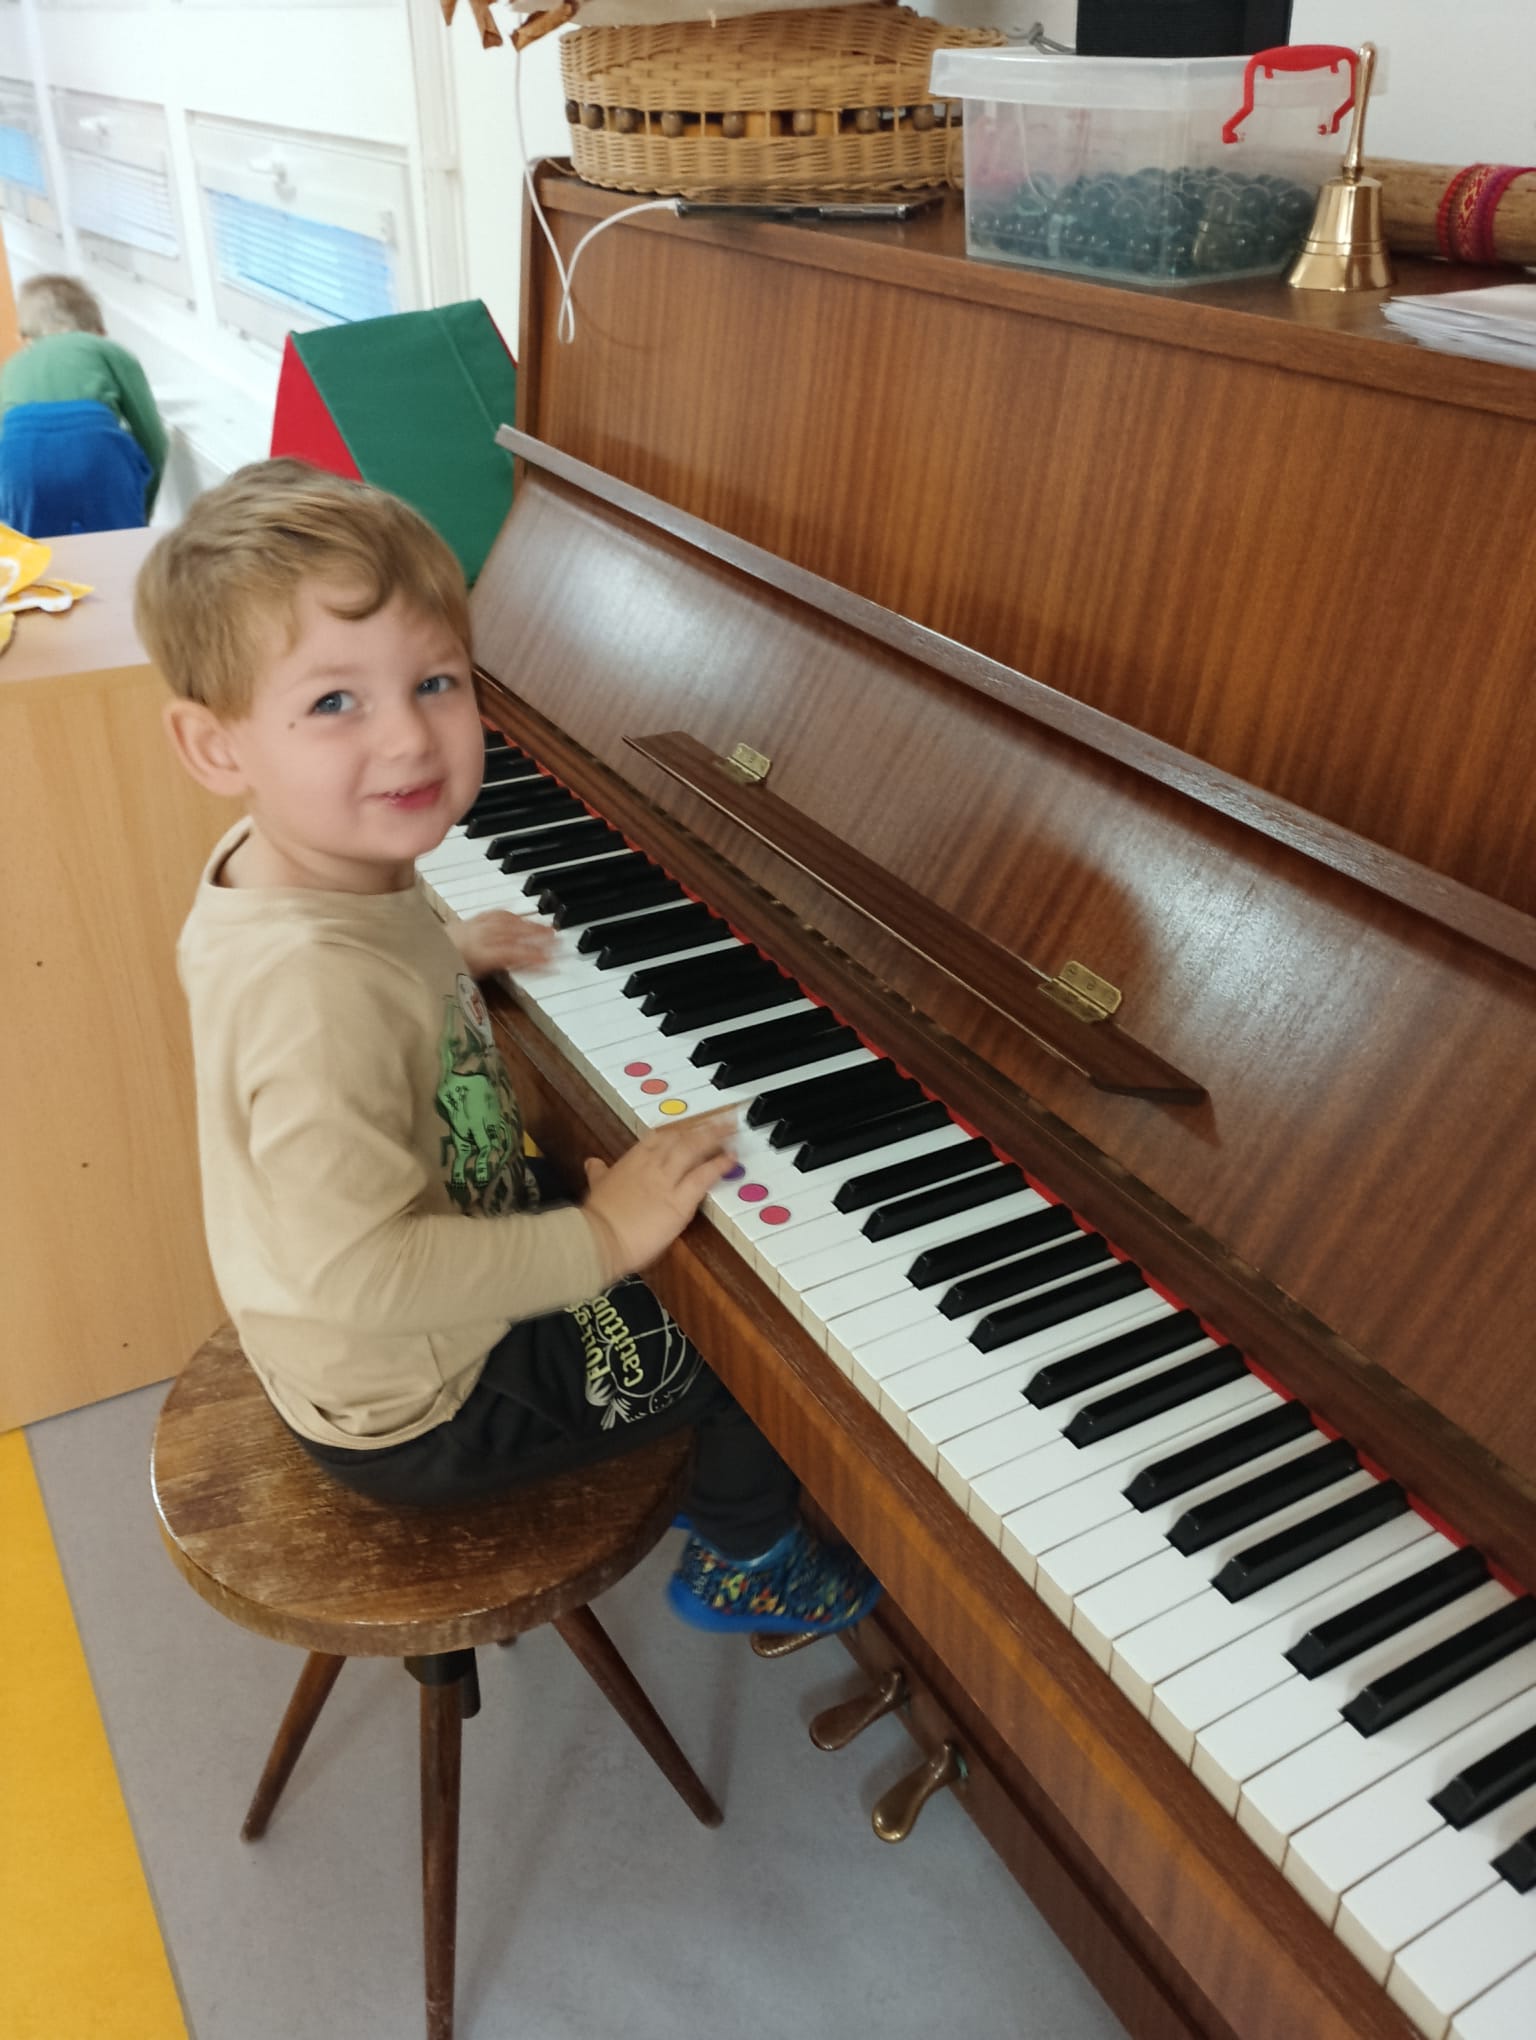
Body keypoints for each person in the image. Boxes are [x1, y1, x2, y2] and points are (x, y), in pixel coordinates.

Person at [138, 458, 881, 1638]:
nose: (409, 738)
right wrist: (601, 1240)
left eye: (435, 681)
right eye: (334, 703)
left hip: (397, 1291)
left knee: (692, 1235)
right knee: (758, 1350)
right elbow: (364, 1274)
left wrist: (445, 951)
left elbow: (356, 977)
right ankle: (747, 1554)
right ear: (215, 746)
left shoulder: (298, 867)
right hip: (422, 1397)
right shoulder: (316, 996)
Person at [0, 273, 167, 536]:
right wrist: (142, 508)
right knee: (117, 545)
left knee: (40, 551)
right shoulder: (106, 350)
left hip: (18, 457)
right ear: (98, 330)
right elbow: (152, 440)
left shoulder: (11, 366)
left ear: (26, 337)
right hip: (93, 446)